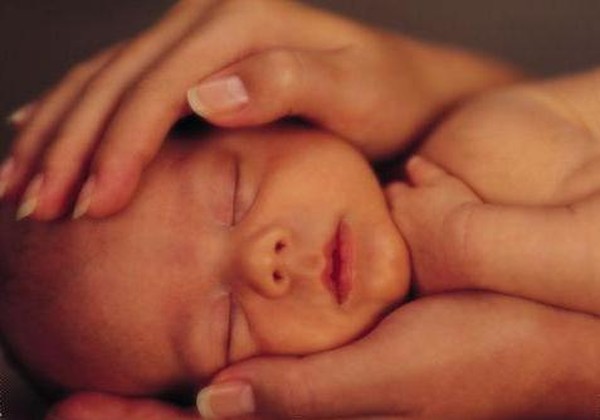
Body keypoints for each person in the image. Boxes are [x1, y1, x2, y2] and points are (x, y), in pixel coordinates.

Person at [1, 0, 599, 418]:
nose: (265, 261)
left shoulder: (486, 149)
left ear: (276, 116)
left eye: (233, 196)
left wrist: (475, 243)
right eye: (227, 326)